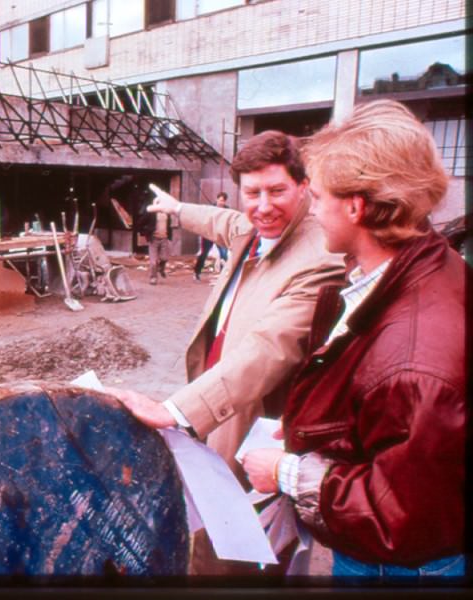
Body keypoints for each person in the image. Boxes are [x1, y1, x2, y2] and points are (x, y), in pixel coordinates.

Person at [241, 100, 466, 579]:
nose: (313, 210)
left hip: (401, 567)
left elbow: (397, 512)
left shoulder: (415, 362)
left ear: (356, 206)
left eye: (317, 197)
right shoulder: (421, 266)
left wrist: (285, 473)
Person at [107, 131, 346, 573]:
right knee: (211, 532)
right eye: (252, 193)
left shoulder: (319, 256)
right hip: (218, 412)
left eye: (277, 191)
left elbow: (269, 348)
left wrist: (178, 411)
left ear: (304, 187)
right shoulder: (251, 231)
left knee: (248, 549)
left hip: (256, 425)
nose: (264, 206)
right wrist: (176, 208)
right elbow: (222, 221)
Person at [137, 192, 173, 285]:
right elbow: (140, 223)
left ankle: (161, 268)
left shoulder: (166, 213)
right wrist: (145, 232)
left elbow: (168, 226)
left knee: (164, 258)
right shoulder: (151, 213)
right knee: (153, 262)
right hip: (154, 239)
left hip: (164, 238)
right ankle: (153, 278)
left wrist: (169, 236)